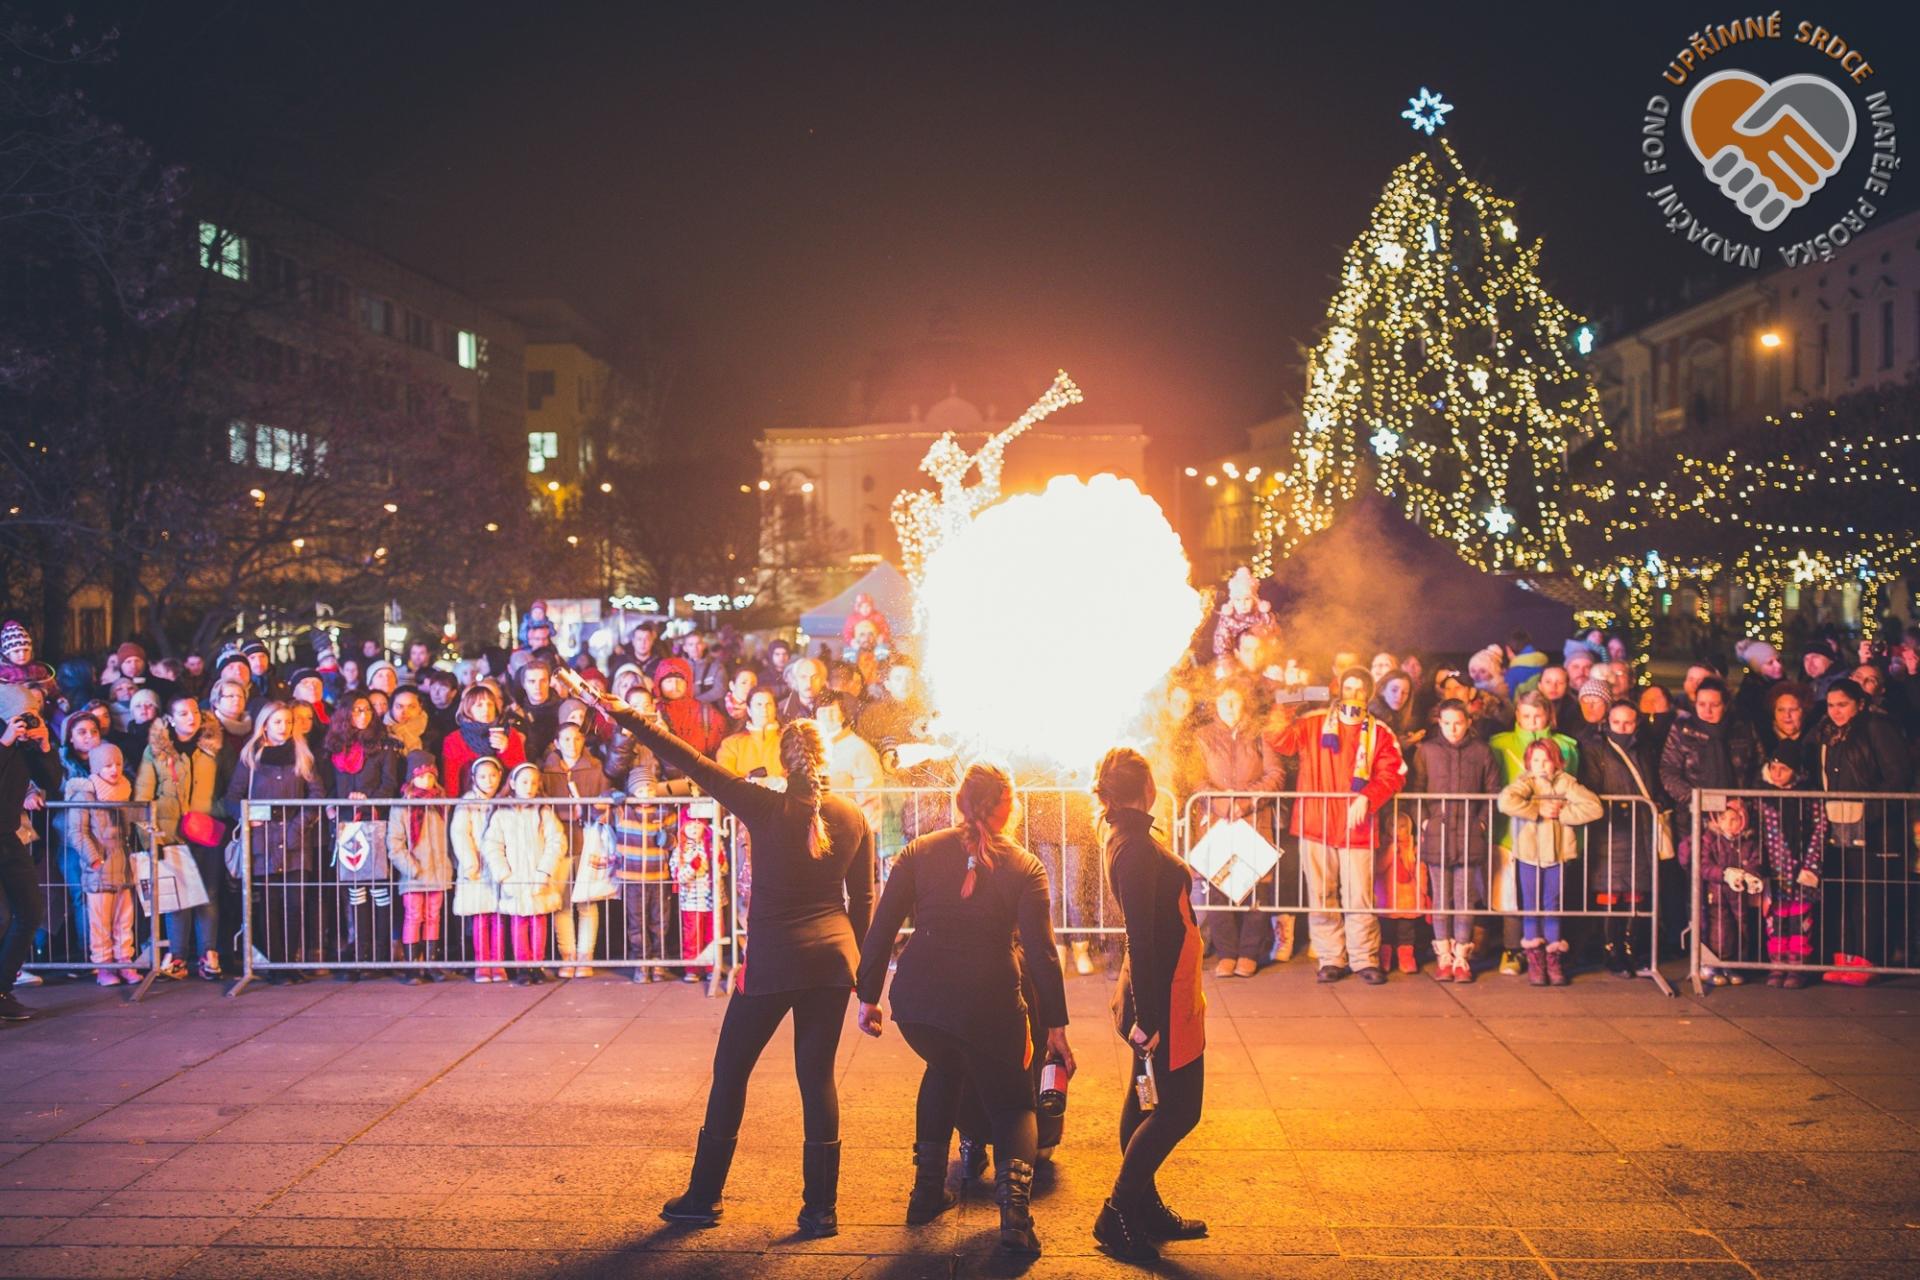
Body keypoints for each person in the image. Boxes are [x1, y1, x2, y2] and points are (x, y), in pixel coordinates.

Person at [564, 669, 874, 1241]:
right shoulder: (853, 817)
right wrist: (866, 982)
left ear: (783, 760)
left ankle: (704, 1197)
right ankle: (820, 1210)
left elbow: (687, 759)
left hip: (775, 961)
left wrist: (623, 714)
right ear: (825, 757)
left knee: (731, 1072)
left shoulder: (764, 804)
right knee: (817, 1079)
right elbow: (865, 901)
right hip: (832, 961)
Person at [855, 761, 1072, 1255]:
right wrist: (1055, 1027)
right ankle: (1014, 1218)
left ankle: (925, 1194)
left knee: (944, 1068)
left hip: (919, 1003)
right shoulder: (1025, 867)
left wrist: (868, 996)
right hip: (989, 1001)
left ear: (958, 801)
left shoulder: (919, 851)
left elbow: (882, 927)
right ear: (1008, 808)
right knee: (1014, 1102)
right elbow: (1042, 954)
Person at [1090, 746, 1208, 1262]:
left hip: (1166, 991)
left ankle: (1143, 1206)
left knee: (1145, 1101)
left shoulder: (1129, 835)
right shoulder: (1134, 846)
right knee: (1178, 1109)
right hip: (1163, 998)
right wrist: (1150, 1017)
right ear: (1146, 789)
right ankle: (1118, 1212)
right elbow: (1140, 936)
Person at [1266, 668, 1406, 983]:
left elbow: (1394, 773)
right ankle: (1331, 957)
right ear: (1340, 690)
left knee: (1360, 897)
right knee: (1321, 895)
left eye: (1360, 689)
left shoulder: (1380, 732)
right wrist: (1287, 701)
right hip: (1316, 823)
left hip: (1358, 827)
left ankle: (1364, 959)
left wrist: (1368, 797)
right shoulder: (1314, 722)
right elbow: (1278, 738)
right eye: (1349, 687)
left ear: (1368, 695)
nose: (1353, 694)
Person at [1815, 677, 1913, 976]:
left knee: (1869, 895)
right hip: (1838, 824)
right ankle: (1845, 956)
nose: (1835, 711)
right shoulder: (1828, 733)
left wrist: (1868, 811)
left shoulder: (1877, 728)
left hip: (1874, 827)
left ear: (1859, 704)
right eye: (1831, 705)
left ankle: (1868, 958)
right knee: (1843, 891)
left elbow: (1899, 776)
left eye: (1842, 705)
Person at [225, 703, 326, 980]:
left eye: (288, 722)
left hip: (295, 840)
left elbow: (317, 794)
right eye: (278, 722)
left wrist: (299, 825)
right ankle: (276, 965)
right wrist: (247, 816)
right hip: (263, 841)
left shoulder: (303, 756)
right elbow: (232, 797)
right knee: (269, 907)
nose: (284, 727)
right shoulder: (251, 757)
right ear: (265, 725)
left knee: (294, 904)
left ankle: (291, 963)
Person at [1192, 681, 1282, 978]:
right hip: (1218, 823)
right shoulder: (1203, 737)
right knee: (1219, 889)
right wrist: (1220, 804)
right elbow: (1196, 778)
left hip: (1254, 821)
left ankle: (1249, 953)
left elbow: (1275, 774)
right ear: (1215, 704)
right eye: (1224, 700)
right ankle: (1227, 953)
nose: (1229, 706)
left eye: (1235, 700)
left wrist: (1244, 803)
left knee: (1257, 889)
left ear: (1245, 703)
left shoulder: (1260, 734)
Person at [1408, 700, 1502, 982]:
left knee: (1464, 899)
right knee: (1441, 898)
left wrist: (1481, 823)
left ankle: (1462, 956)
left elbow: (1493, 790)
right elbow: (1416, 789)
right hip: (1438, 833)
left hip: (1469, 835)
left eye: (1458, 722)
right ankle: (1444, 956)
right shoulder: (1427, 751)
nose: (1452, 728)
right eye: (1447, 722)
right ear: (1439, 722)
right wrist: (1425, 821)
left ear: (1468, 722)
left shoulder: (1481, 751)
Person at [134, 695, 226, 981]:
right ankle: (178, 956)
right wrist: (149, 837)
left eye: (195, 712)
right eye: (183, 713)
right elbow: (143, 795)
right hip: (170, 833)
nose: (191, 718)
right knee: (177, 897)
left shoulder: (213, 747)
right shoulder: (155, 751)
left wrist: (212, 811)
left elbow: (230, 787)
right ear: (171, 720)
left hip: (206, 831)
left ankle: (208, 953)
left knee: (208, 895)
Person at [1498, 739, 1603, 986]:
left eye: (1546, 760)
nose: (1541, 765)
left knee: (1552, 905)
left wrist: (1563, 814)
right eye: (1535, 760)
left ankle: (1553, 959)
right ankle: (1536, 961)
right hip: (1529, 854)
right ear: (1528, 763)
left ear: (1556, 762)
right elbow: (1505, 801)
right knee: (1531, 906)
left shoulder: (1567, 783)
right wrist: (1536, 809)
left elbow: (1594, 807)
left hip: (1557, 855)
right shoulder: (1526, 782)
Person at [1580, 701, 1664, 978]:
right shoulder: (1596, 748)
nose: (1622, 728)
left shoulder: (1645, 748)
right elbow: (1592, 784)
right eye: (1617, 722)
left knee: (1636, 888)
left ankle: (1630, 947)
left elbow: (1654, 782)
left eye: (1628, 723)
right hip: (1610, 826)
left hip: (1641, 826)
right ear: (1608, 722)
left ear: (1636, 723)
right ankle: (1611, 948)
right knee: (1609, 888)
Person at [0, 684, 56, 1018]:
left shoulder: (27, 745)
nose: (27, 721)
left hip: (8, 836)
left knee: (30, 912)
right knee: (2, 917)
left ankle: (2, 989)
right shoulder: (7, 740)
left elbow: (52, 781)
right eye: (22, 715)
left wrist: (45, 745)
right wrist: (5, 742)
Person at [484, 762, 567, 984]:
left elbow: (556, 841)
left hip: (538, 877)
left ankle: (537, 964)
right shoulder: (502, 814)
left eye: (533, 782)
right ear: (512, 783)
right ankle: (522, 966)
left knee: (538, 921)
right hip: (515, 878)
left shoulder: (543, 811)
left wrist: (544, 871)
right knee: (519, 922)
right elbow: (492, 846)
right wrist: (505, 876)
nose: (529, 787)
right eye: (524, 782)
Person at [540, 721, 610, 978]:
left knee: (587, 902)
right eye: (567, 739)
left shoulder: (595, 769)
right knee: (563, 902)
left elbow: (604, 803)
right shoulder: (547, 772)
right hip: (559, 845)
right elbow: (542, 803)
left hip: (586, 841)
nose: (573, 744)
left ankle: (585, 956)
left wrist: (589, 812)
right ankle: (567, 954)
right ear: (557, 743)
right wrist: (566, 813)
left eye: (577, 739)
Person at [451, 756, 509, 983]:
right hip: (477, 866)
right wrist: (470, 862)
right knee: (480, 917)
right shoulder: (467, 802)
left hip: (499, 866)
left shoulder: (504, 801)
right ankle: (482, 963)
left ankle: (498, 963)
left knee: (498, 916)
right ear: (474, 778)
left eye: (493, 775)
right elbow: (459, 833)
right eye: (483, 776)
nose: (489, 781)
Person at [442, 685, 526, 795]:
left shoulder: (510, 734)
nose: (486, 709)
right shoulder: (454, 740)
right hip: (469, 800)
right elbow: (451, 782)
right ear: (468, 709)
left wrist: (505, 750)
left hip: (505, 799)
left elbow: (522, 773)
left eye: (490, 704)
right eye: (479, 705)